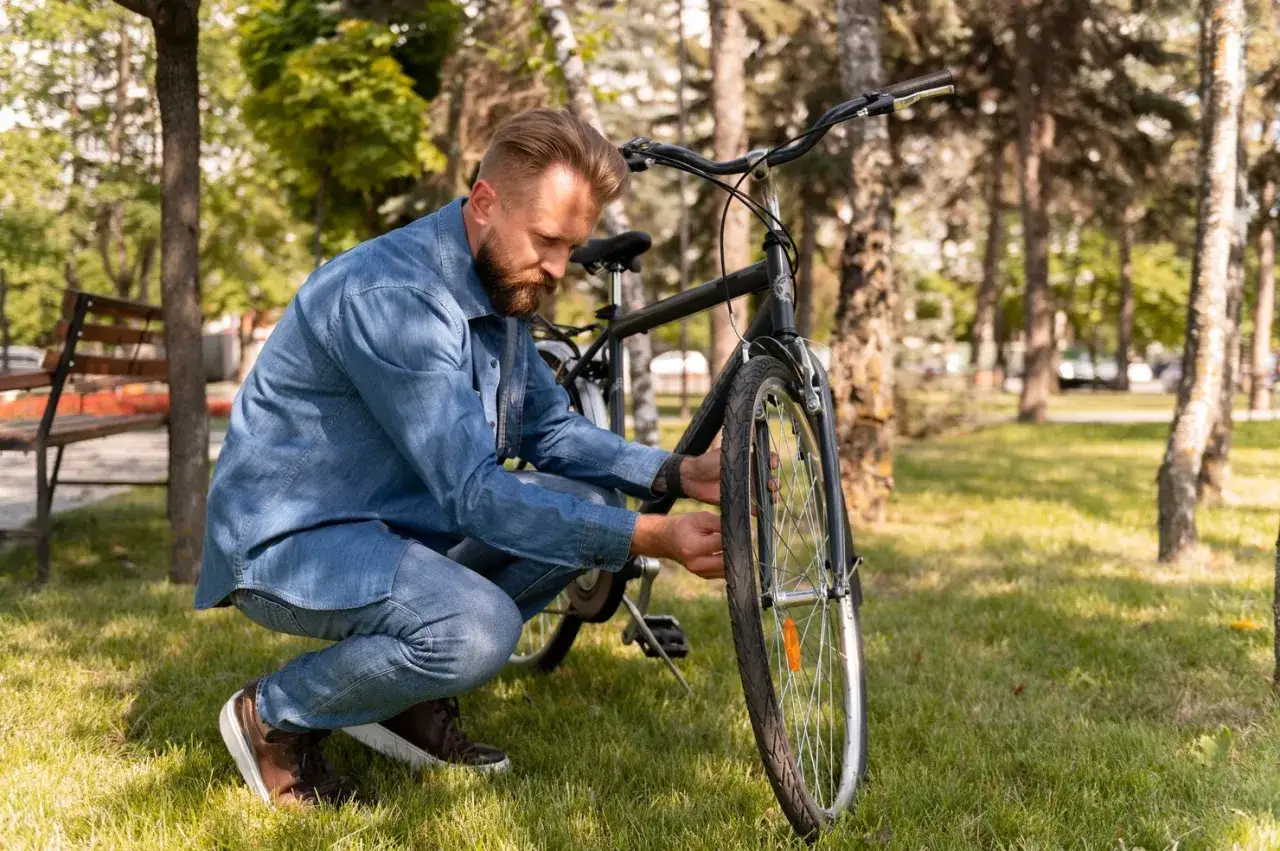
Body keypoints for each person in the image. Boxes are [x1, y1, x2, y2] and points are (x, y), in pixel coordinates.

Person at [196, 108, 726, 807]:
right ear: (484, 202)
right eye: (547, 240)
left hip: (392, 527)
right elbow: (473, 495)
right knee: (478, 628)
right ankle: (273, 716)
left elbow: (550, 431)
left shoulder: (499, 282)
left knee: (593, 506)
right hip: (293, 539)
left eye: (573, 246)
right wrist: (652, 535)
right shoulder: (398, 299)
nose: (560, 267)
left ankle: (401, 702)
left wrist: (677, 473)